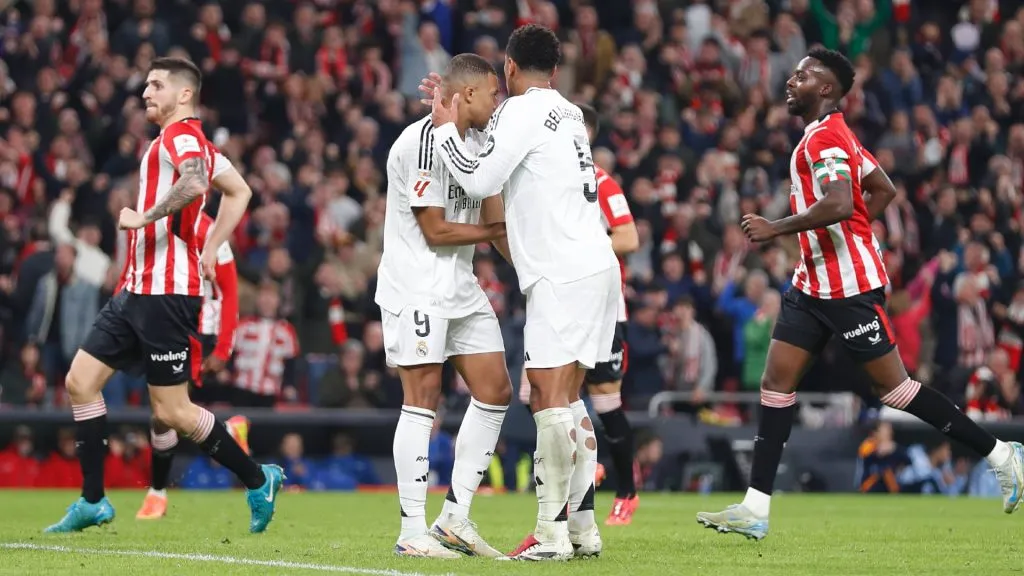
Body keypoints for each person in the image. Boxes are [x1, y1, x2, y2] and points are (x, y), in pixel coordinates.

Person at [696, 48, 1024, 540]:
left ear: (826, 89)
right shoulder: (837, 134)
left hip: (848, 289)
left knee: (895, 390)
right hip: (811, 284)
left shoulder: (825, 139)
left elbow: (840, 200)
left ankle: (1001, 454)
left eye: (804, 76)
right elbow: (883, 189)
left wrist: (776, 228)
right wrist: (851, 231)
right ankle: (756, 507)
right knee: (776, 384)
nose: (792, 80)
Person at [44, 57, 284, 534]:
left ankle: (258, 480)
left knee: (172, 411)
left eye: (156, 85)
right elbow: (239, 193)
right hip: (137, 288)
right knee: (80, 381)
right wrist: (213, 247)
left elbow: (195, 182)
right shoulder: (195, 143)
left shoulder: (182, 136)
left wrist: (144, 217)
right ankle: (93, 500)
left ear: (184, 94)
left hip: (167, 293)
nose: (145, 93)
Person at [430, 24, 620, 560]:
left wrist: (448, 127)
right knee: (570, 399)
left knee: (547, 400)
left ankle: (550, 532)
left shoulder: (521, 111)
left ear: (509, 68)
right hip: (595, 265)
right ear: (555, 71)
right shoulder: (570, 113)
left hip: (563, 274)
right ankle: (583, 529)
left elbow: (476, 180)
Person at [376, 53, 511, 558]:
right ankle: (412, 532)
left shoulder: (479, 145)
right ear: (468, 95)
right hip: (416, 283)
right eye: (492, 94)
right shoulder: (422, 140)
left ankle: (454, 519)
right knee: (423, 397)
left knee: (496, 390)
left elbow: (496, 221)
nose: (497, 103)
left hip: (459, 283)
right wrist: (494, 231)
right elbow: (434, 229)